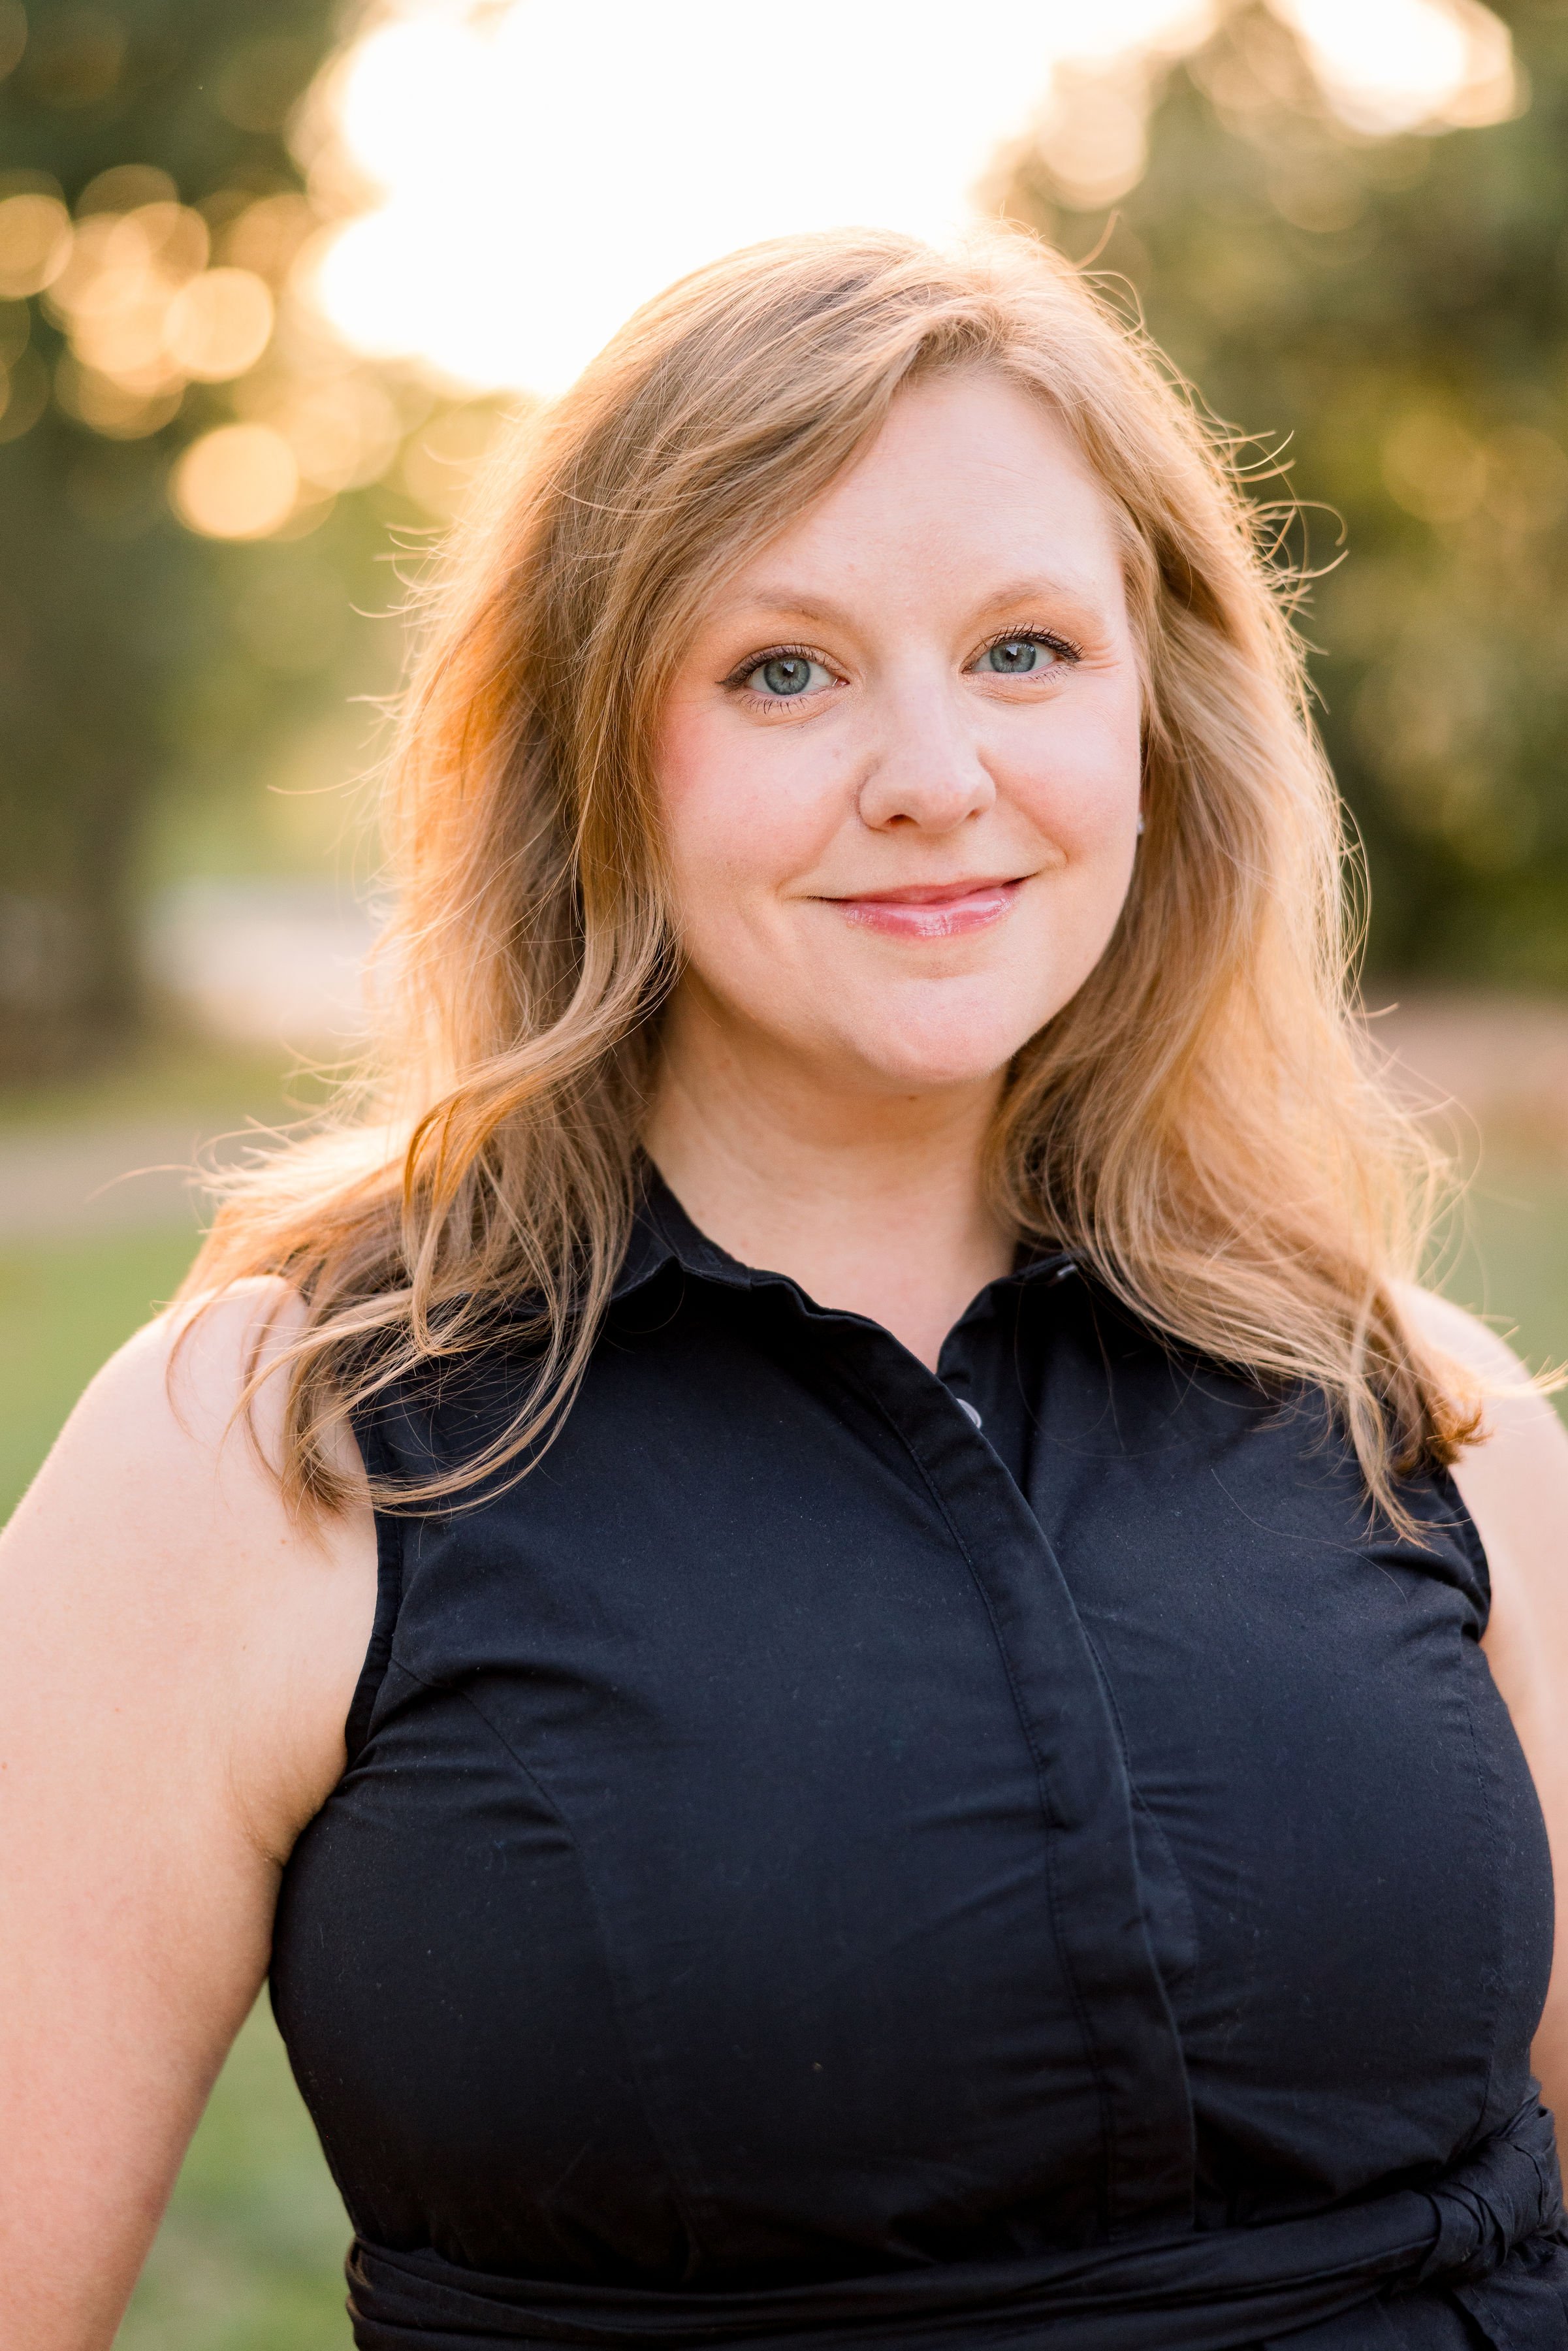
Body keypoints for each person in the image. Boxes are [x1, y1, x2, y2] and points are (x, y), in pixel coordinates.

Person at [4, 225, 1568, 2351]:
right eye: (784, 670)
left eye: (1025, 651)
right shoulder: (261, 1459)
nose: (936, 773)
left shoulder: (1428, 1416)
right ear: (592, 764)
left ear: (1158, 722)